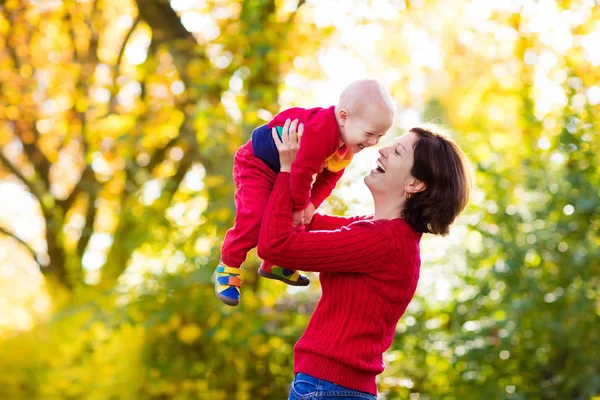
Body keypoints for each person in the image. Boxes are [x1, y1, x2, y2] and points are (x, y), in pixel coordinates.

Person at [257, 119, 473, 399]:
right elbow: (299, 221)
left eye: (397, 153)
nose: (382, 150)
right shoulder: (378, 232)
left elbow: (276, 245)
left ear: (416, 183)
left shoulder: (383, 241)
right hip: (330, 387)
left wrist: (288, 169)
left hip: (328, 388)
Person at [215, 79, 395, 306]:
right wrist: (300, 205)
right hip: (257, 164)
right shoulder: (321, 132)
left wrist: (310, 205)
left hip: (285, 170)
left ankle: (275, 263)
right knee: (255, 217)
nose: (373, 142)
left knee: (292, 216)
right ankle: (228, 265)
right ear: (343, 116)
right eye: (370, 133)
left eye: (379, 136)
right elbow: (301, 172)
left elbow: (330, 177)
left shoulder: (346, 144)